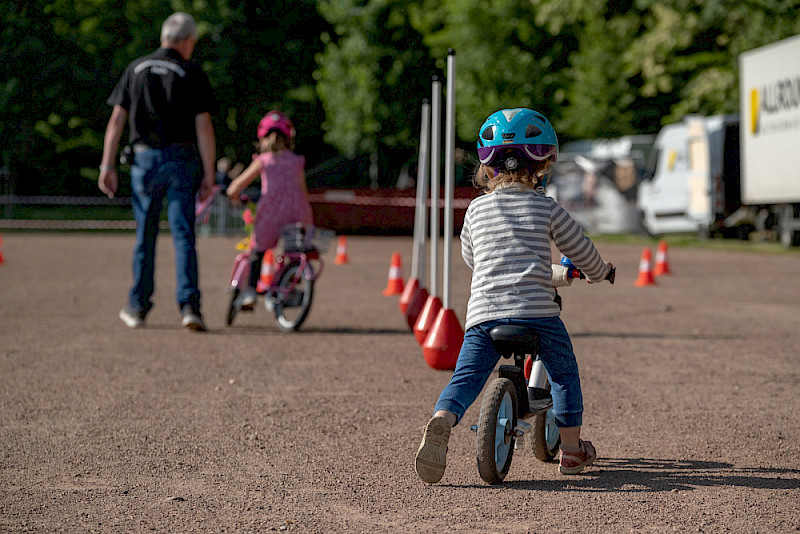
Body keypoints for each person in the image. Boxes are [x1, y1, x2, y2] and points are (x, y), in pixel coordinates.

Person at [414, 108, 614, 483]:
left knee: (466, 375)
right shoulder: (546, 207)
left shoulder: (475, 209)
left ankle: (442, 418)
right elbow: (581, 248)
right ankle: (571, 450)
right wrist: (600, 272)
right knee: (564, 373)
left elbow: (471, 257)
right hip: (537, 313)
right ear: (541, 165)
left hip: (484, 315)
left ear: (488, 167)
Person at [98, 12, 216, 332]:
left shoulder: (135, 68)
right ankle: (190, 307)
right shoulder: (190, 72)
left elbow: (116, 122)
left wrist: (107, 165)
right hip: (181, 161)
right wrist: (209, 174)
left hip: (144, 162)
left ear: (164, 37)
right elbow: (203, 127)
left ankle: (137, 306)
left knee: (144, 236)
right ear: (188, 41)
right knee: (183, 236)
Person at [225, 111, 313, 310]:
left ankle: (249, 293)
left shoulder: (263, 160)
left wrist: (232, 194)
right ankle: (286, 287)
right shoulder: (297, 161)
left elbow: (236, 186)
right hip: (298, 213)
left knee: (259, 249)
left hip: (271, 212)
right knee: (293, 253)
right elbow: (303, 191)